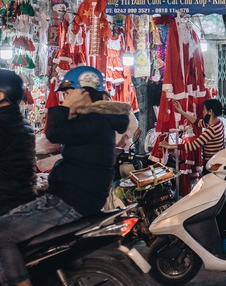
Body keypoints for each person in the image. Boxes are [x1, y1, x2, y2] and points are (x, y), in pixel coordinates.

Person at [0, 66, 131, 286]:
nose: (65, 97)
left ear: (84, 92)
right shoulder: (96, 120)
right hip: (66, 198)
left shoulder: (96, 121)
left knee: (2, 234)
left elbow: (54, 133)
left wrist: (67, 107)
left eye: (69, 93)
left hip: (68, 203)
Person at [171, 98, 226, 238]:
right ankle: (225, 229)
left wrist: (170, 146)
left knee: (215, 200)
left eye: (204, 109)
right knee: (220, 198)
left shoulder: (212, 129)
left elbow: (193, 145)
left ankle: (222, 230)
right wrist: (181, 111)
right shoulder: (217, 123)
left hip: (212, 169)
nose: (202, 111)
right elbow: (197, 122)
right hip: (215, 167)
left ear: (210, 112)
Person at [0, 70, 36, 216]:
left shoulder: (5, 125)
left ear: (3, 94)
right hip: (17, 199)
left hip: (6, 204)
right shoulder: (16, 121)